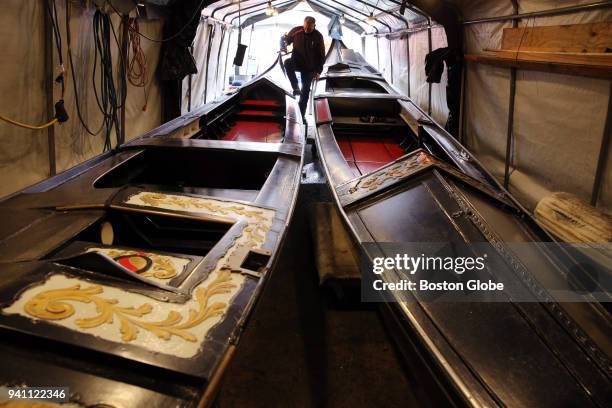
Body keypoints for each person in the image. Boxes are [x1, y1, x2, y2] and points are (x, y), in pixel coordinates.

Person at [281, 16, 325, 122]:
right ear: (303, 24)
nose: (306, 30)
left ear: (314, 25)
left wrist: (319, 71)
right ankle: (295, 87)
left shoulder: (318, 36)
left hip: (310, 67)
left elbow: (322, 55)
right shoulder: (296, 30)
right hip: (296, 62)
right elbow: (287, 40)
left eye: (309, 29)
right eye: (305, 27)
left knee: (305, 91)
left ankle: (301, 115)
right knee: (287, 62)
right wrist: (284, 42)